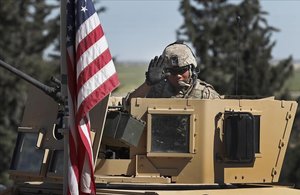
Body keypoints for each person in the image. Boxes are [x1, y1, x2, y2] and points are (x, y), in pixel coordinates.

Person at [126, 41, 220, 103]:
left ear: (192, 70)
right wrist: (148, 83)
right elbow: (130, 103)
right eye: (172, 72)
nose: (178, 76)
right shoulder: (158, 90)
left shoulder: (205, 93)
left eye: (182, 70)